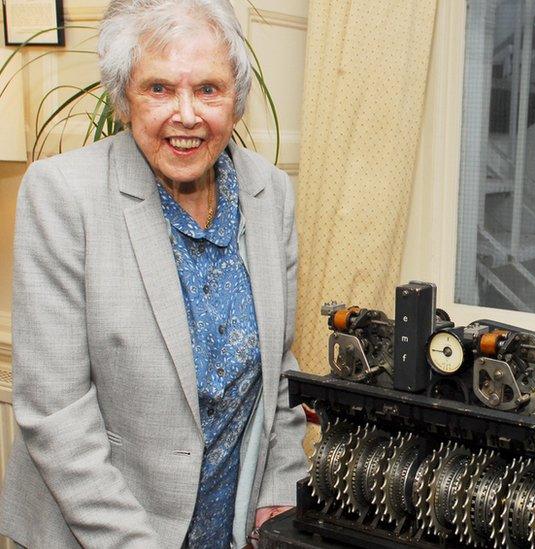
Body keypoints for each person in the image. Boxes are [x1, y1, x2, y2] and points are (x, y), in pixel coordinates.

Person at [0, 0, 307, 546]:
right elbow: (55, 413)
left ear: (236, 100)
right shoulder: (63, 194)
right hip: (96, 531)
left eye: (208, 89)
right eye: (159, 88)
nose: (186, 115)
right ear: (123, 99)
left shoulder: (271, 193)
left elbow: (278, 370)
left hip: (227, 527)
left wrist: (278, 490)